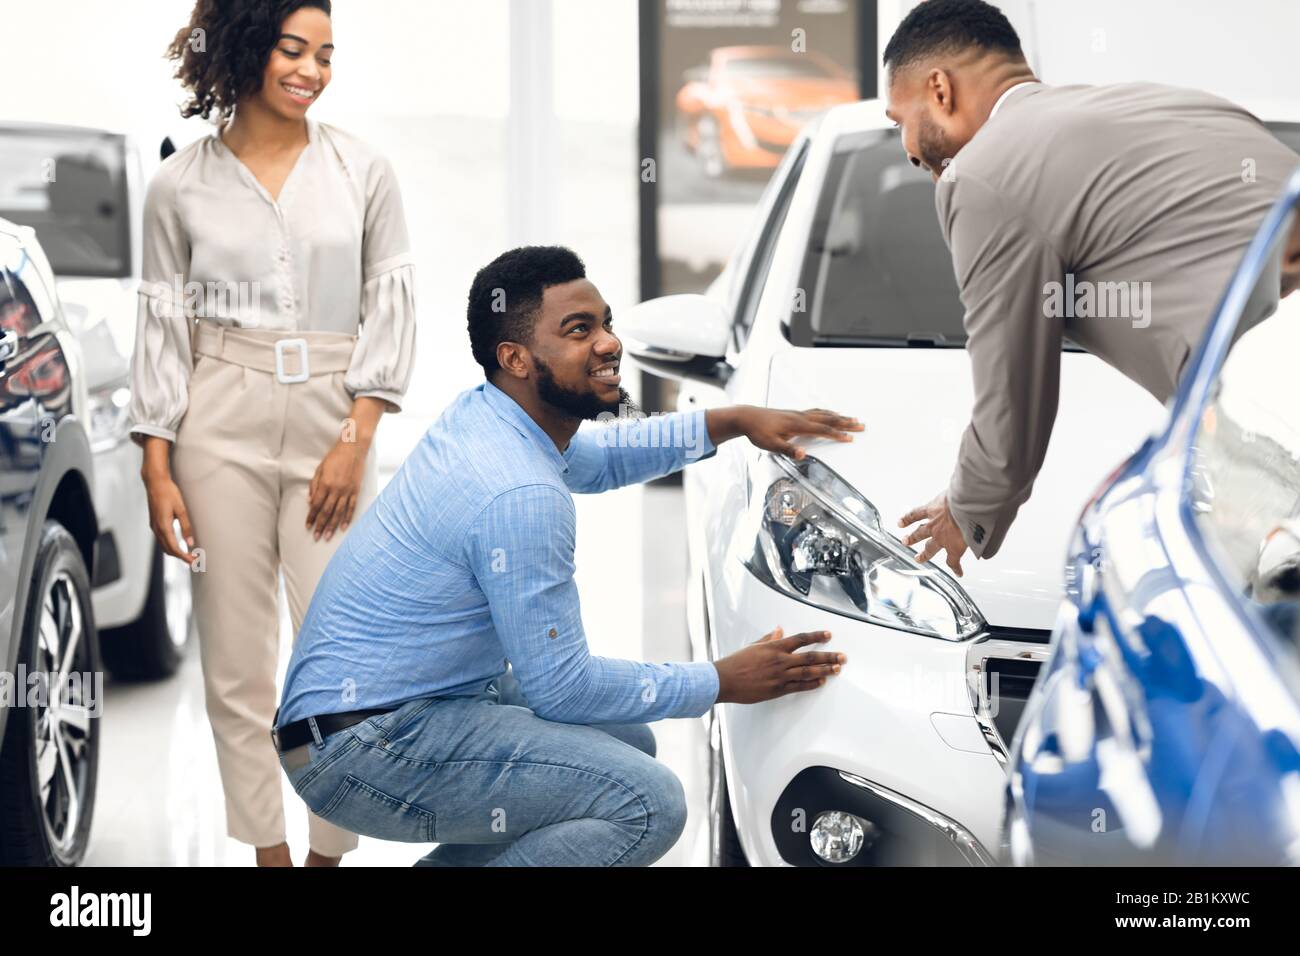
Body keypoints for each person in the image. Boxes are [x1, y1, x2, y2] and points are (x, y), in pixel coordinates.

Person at [272, 246, 861, 866]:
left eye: (605, 323)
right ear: (516, 358)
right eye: (579, 331)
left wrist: (732, 420)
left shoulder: (493, 415)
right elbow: (563, 689)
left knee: (626, 742)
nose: (609, 344)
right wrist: (720, 680)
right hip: (364, 746)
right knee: (646, 803)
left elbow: (604, 458)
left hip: (372, 712)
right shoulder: (518, 492)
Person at [129, 0, 416, 866]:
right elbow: (161, 328)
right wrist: (157, 467)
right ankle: (269, 856)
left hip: (336, 417)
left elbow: (388, 306)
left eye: (326, 54)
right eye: (295, 49)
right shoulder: (180, 186)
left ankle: (330, 852)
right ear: (251, 48)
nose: (312, 71)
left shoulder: (364, 170)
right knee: (237, 664)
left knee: (341, 655)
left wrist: (356, 436)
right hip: (219, 421)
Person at [883, 0, 1300, 574]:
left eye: (898, 119)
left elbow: (1011, 395)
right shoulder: (1181, 104)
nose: (907, 149)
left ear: (939, 89)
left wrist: (967, 508)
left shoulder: (981, 175)